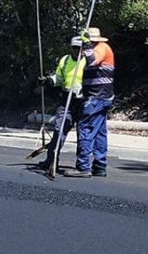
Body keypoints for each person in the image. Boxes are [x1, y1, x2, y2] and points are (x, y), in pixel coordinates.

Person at [66, 25, 115, 178]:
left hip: (97, 98)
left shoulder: (101, 48)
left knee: (85, 129)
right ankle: (100, 166)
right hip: (99, 97)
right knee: (100, 132)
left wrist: (86, 45)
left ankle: (83, 167)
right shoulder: (96, 49)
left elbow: (92, 61)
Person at [36, 36, 85, 170]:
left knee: (83, 134)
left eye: (79, 48)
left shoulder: (87, 61)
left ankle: (82, 165)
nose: (76, 51)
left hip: (82, 102)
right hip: (66, 101)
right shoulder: (65, 60)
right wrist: (47, 80)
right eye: (74, 48)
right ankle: (51, 160)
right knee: (59, 130)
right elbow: (58, 78)